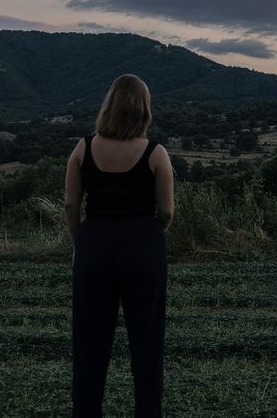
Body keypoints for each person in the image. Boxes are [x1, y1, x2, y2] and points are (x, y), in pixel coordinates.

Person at [64, 74, 174, 417]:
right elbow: (167, 211)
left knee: (90, 342)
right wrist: (148, 234)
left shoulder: (83, 148)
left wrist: (80, 242)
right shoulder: (156, 154)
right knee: (147, 341)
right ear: (144, 110)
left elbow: (70, 205)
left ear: (109, 106)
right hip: (143, 248)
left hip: (94, 245)